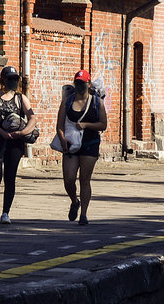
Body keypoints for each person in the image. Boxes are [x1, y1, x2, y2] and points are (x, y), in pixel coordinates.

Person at [57, 69, 107, 226]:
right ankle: (74, 201)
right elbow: (59, 124)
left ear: (89, 84)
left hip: (90, 144)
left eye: (82, 83)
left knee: (85, 179)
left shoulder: (96, 102)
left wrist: (85, 125)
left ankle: (84, 215)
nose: (79, 86)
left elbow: (103, 124)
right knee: (69, 179)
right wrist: (62, 138)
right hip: (71, 145)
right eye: (76, 83)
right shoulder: (68, 101)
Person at [0, 65, 37, 223]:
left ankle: (6, 212)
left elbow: (33, 117)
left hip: (15, 143)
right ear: (3, 80)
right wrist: (1, 132)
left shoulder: (20, 98)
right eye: (10, 79)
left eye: (15, 79)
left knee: (10, 176)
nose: (13, 82)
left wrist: (23, 133)